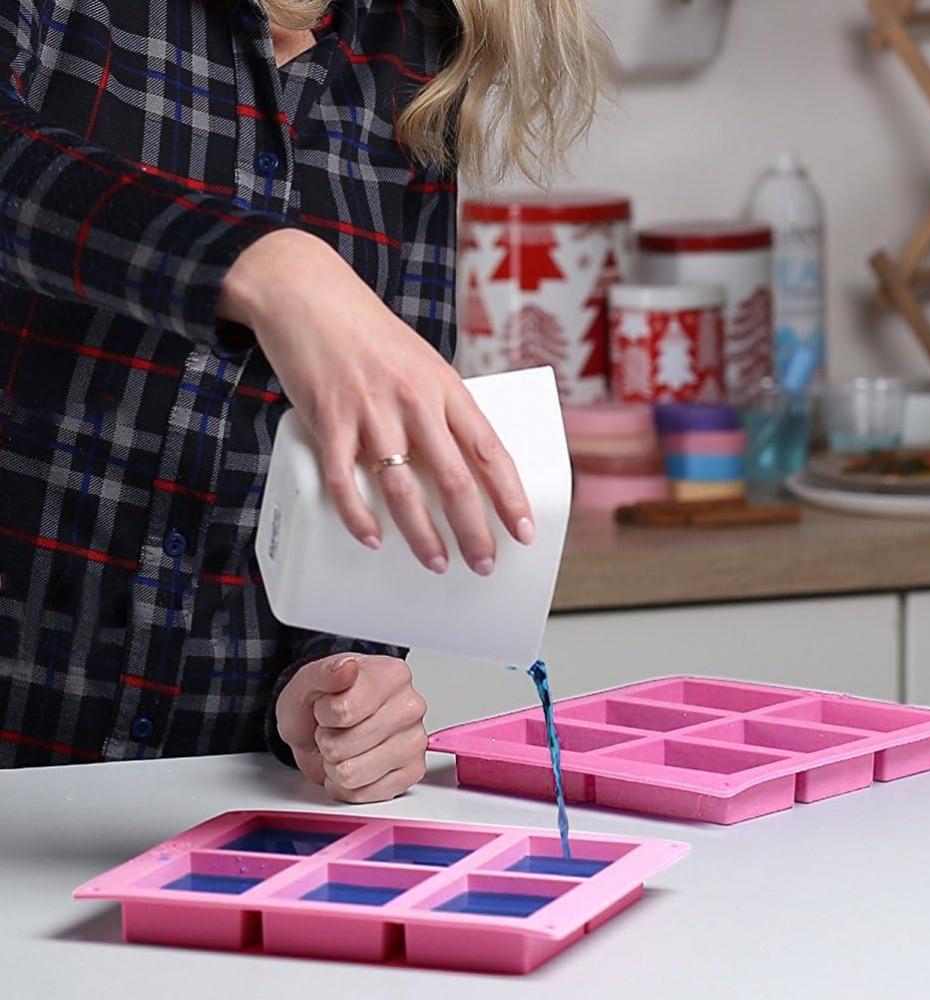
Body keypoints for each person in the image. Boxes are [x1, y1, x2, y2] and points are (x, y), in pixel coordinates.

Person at [0, 0, 609, 800]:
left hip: (198, 812)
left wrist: (336, 681)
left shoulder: (413, 47)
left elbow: (371, 467)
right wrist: (271, 268)